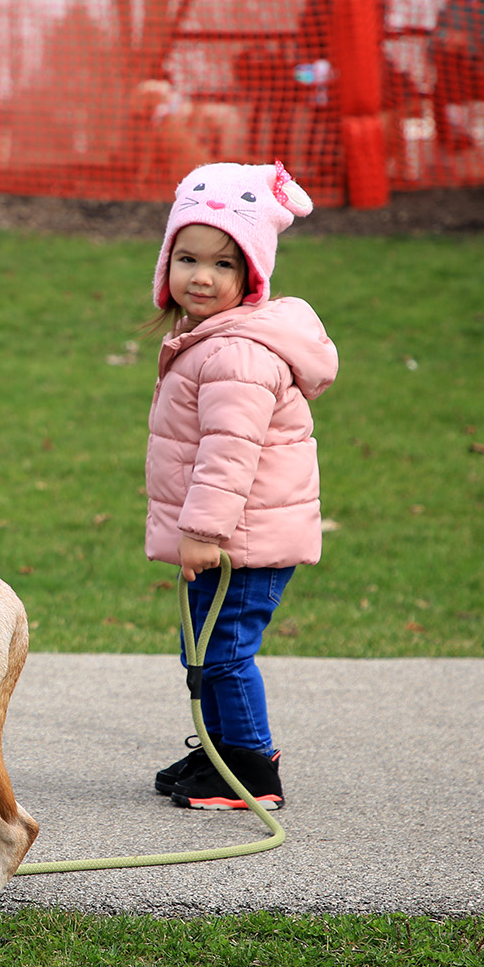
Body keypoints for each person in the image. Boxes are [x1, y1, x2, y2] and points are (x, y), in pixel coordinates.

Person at [142, 161, 338, 811]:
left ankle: (251, 768)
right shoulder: (209, 341)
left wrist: (200, 531)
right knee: (201, 645)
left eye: (224, 265)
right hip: (234, 536)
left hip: (242, 541)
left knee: (223, 652)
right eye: (188, 257)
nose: (201, 276)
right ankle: (219, 751)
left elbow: (229, 454)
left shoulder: (237, 354)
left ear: (251, 277)